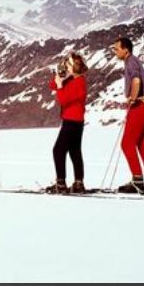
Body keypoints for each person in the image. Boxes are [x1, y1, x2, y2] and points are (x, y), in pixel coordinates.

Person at [112, 37, 144, 193]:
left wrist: (132, 99)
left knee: (127, 144)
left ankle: (137, 181)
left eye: (116, 49)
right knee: (142, 144)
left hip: (138, 106)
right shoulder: (134, 61)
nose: (115, 52)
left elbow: (137, 81)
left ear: (125, 49)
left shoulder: (131, 62)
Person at [44, 53, 88, 194]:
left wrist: (60, 84)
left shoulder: (79, 82)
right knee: (75, 151)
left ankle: (61, 183)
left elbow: (63, 99)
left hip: (72, 121)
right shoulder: (71, 79)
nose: (65, 67)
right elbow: (53, 86)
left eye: (67, 64)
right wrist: (59, 77)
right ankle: (78, 183)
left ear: (74, 67)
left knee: (58, 150)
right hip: (74, 120)